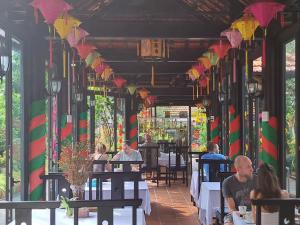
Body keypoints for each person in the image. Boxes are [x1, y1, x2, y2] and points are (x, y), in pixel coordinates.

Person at [222, 155, 257, 225]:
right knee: (228, 223)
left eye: (251, 166)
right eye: (248, 167)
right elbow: (232, 208)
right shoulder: (227, 183)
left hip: (256, 213)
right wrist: (243, 217)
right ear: (238, 169)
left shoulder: (257, 180)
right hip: (236, 214)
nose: (252, 169)